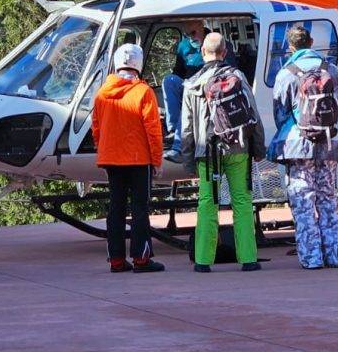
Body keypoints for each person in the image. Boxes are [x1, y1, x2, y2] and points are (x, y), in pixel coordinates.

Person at [270, 24, 338, 269]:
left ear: (290, 46)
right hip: (330, 142)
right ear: (312, 41)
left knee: (303, 201)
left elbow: (280, 113)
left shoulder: (287, 73)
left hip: (299, 145)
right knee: (328, 198)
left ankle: (311, 257)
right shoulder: (332, 70)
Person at [181, 32, 266, 272]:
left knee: (207, 203)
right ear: (225, 53)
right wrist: (258, 148)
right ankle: (248, 259)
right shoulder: (238, 77)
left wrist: (188, 161)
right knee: (241, 200)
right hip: (238, 147)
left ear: (202, 53)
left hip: (206, 152)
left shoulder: (192, 83)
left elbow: (187, 127)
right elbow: (254, 115)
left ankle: (203, 261)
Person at [92, 43, 165, 273]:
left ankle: (115, 259)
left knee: (116, 208)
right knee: (140, 208)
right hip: (138, 158)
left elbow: (96, 128)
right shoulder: (143, 92)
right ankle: (141, 259)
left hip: (111, 158)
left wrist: (103, 150)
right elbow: (153, 129)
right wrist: (157, 160)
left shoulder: (103, 93)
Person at [163, 20, 206, 161]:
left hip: (206, 90)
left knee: (189, 95)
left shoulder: (214, 41)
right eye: (187, 35)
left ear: (201, 25)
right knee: (170, 80)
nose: (191, 38)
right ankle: (172, 128)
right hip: (188, 84)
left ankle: (178, 147)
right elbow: (178, 72)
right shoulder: (184, 46)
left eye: (193, 33)